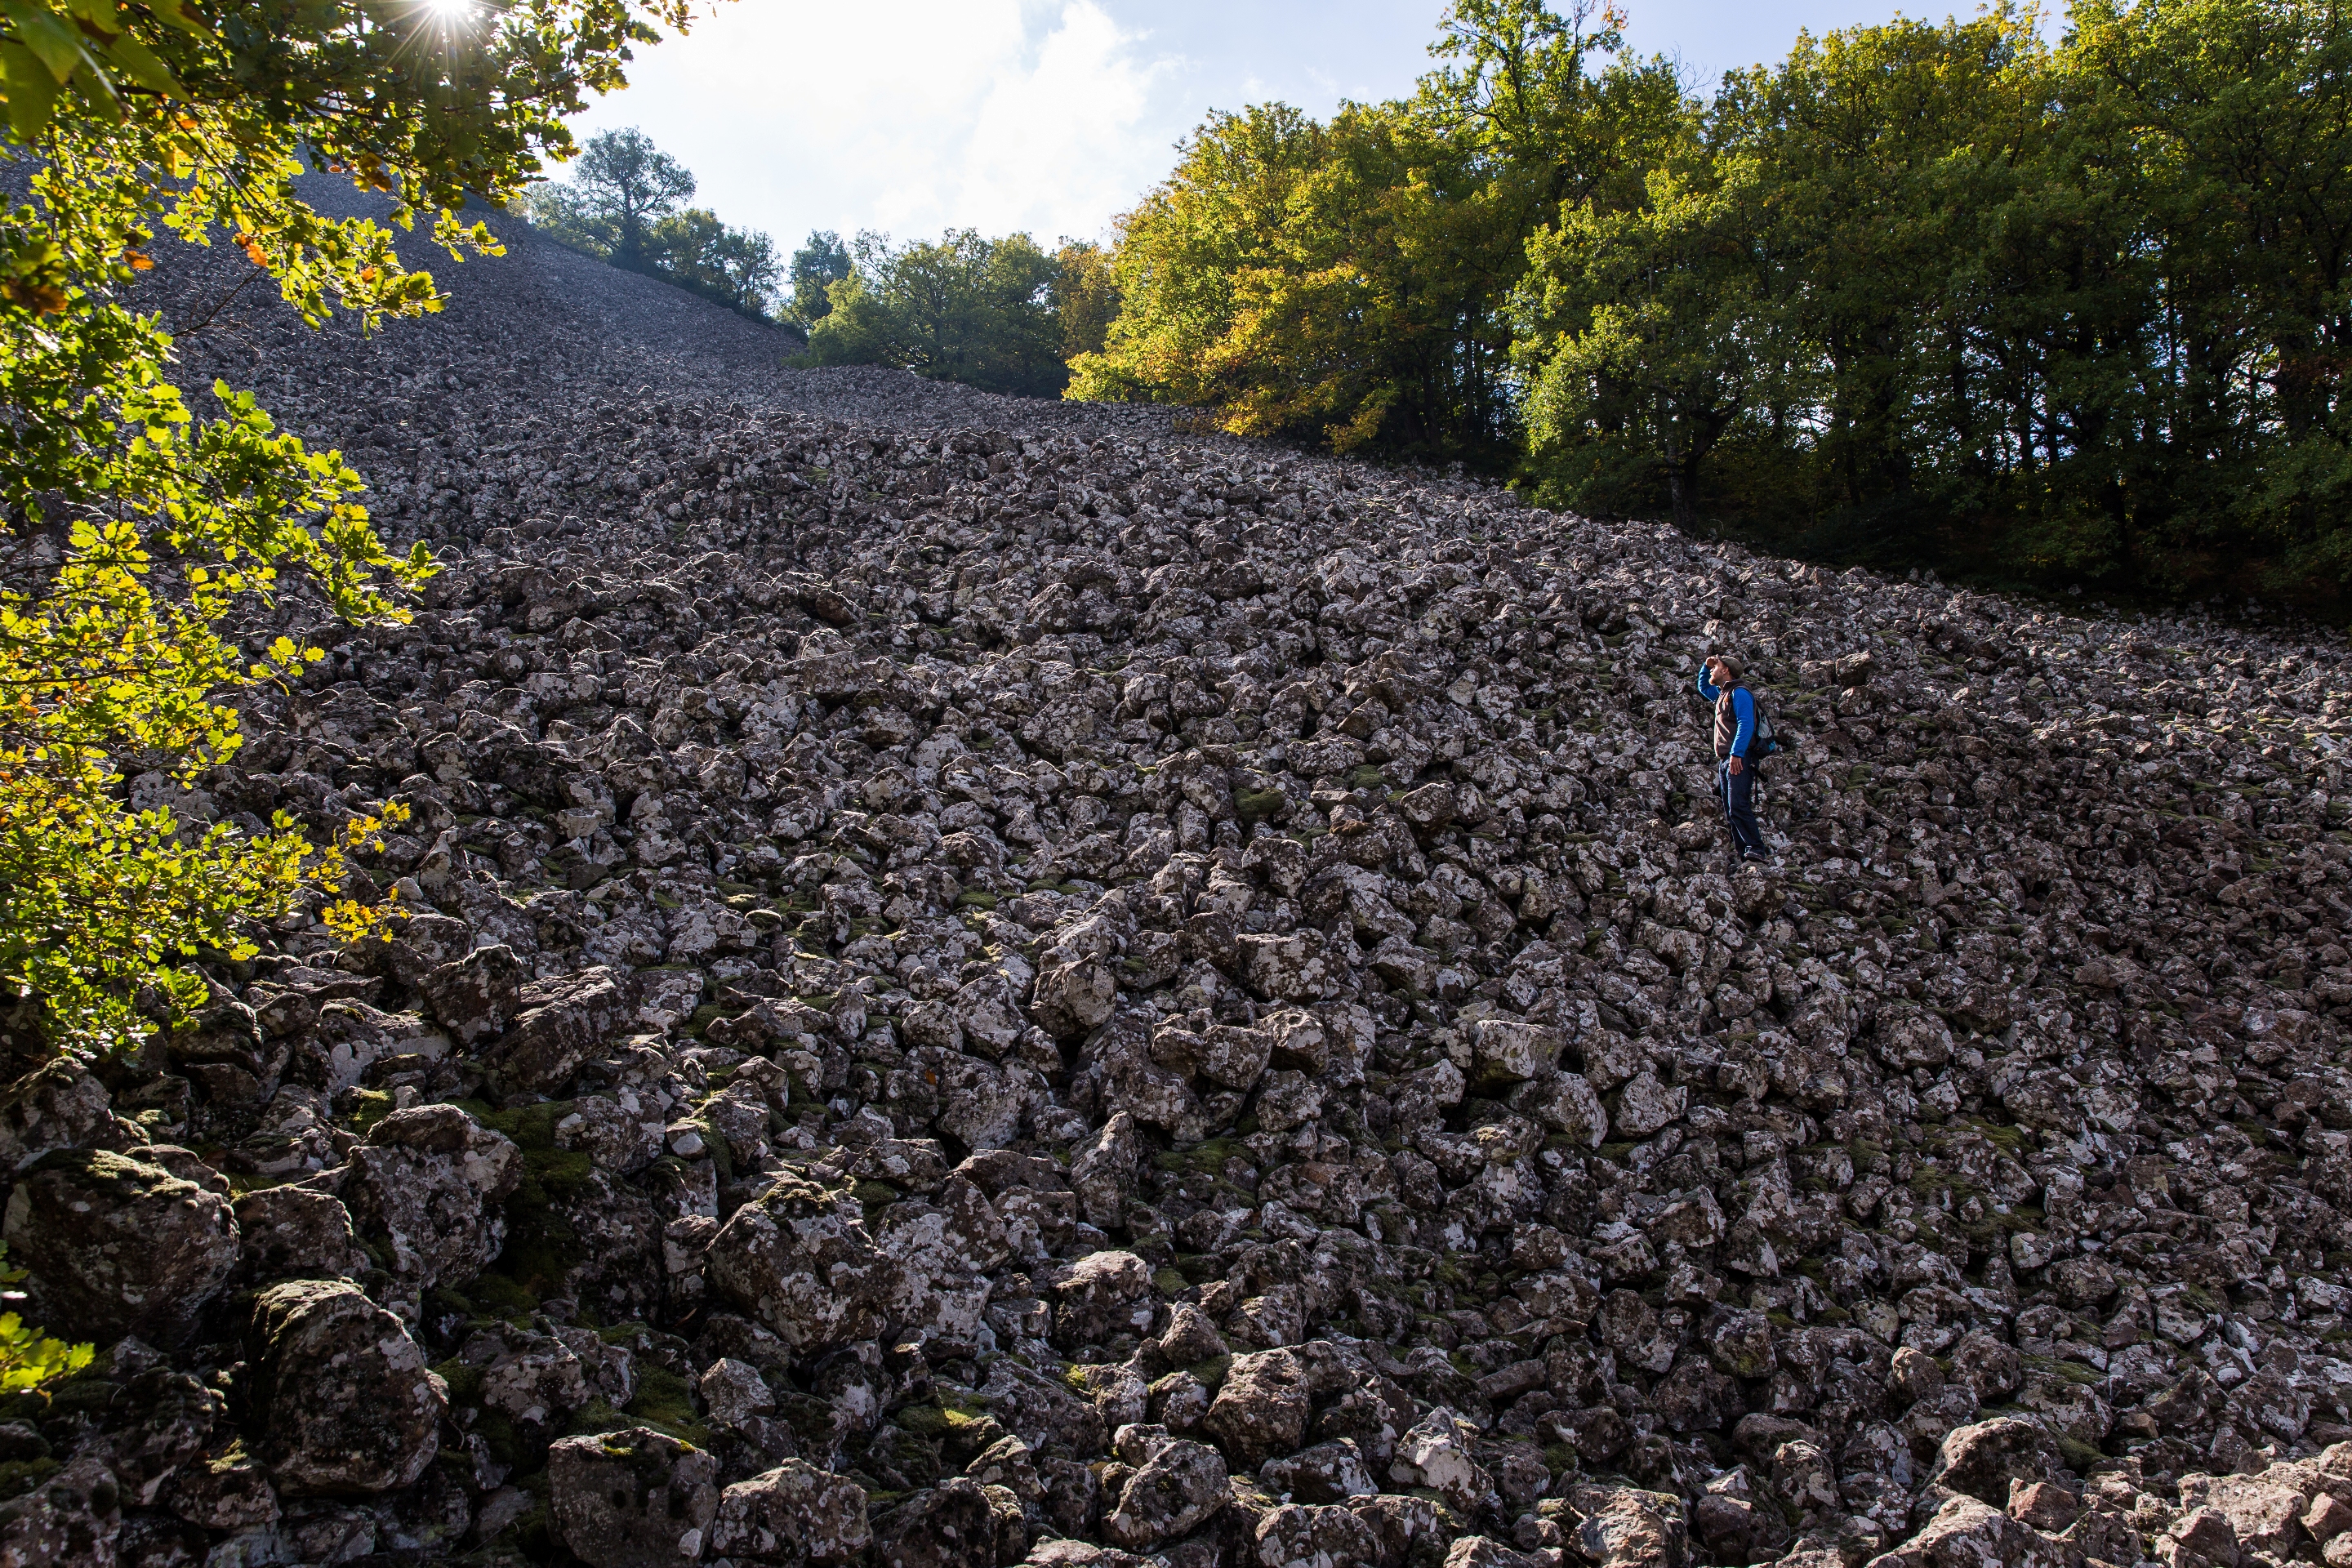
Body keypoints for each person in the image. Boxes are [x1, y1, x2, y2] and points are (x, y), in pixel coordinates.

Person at [1696, 653, 1772, 864]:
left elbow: (1746, 724)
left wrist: (1737, 754)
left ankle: (1756, 849)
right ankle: (1744, 855)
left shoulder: (1739, 693)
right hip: (1727, 759)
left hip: (1739, 757)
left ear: (1726, 670)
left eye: (1716, 666)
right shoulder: (1723, 694)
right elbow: (1704, 688)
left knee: (1738, 805)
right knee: (1731, 811)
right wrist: (1705, 666)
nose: (1713, 669)